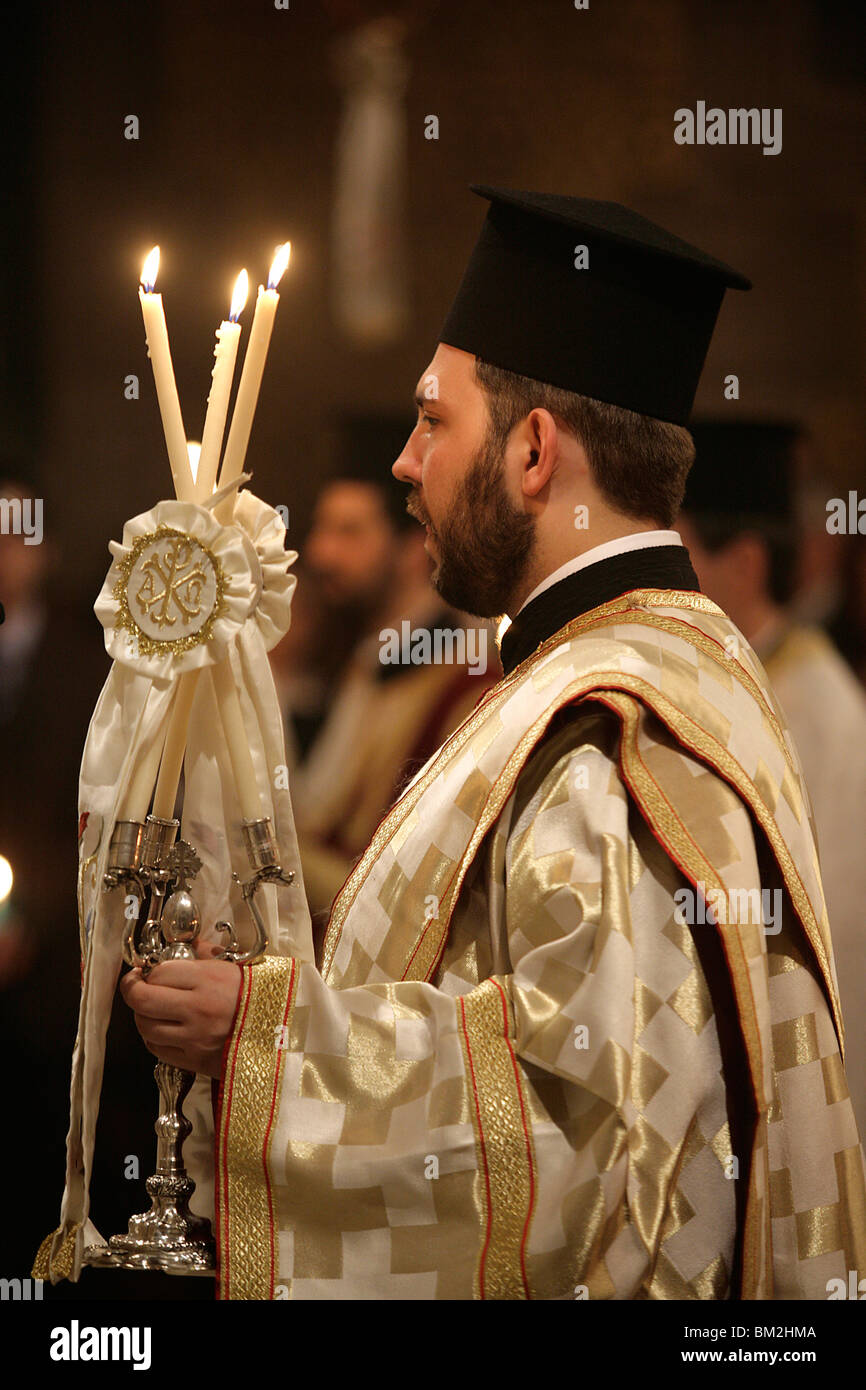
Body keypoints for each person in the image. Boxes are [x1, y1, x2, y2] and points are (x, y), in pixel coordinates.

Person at [113, 187, 865, 1300]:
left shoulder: (608, 722)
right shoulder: (672, 659)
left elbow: (592, 1129)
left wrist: (263, 1033)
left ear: (530, 451)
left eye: (431, 419)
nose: (406, 462)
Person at [678, 420, 866, 1143]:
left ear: (746, 564)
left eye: (683, 552)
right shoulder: (735, 678)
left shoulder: (821, 712)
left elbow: (836, 943)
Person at [274, 415, 497, 934]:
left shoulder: (468, 678)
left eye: (349, 532)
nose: (320, 553)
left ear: (411, 547)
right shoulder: (366, 661)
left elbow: (411, 887)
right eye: (322, 528)